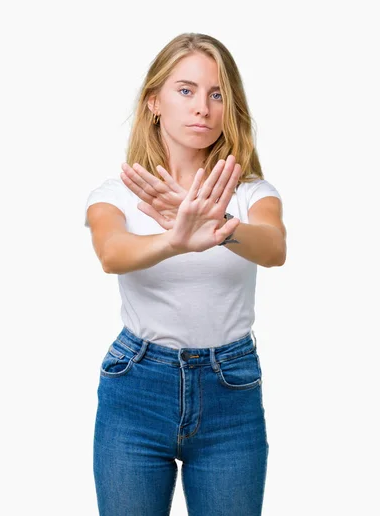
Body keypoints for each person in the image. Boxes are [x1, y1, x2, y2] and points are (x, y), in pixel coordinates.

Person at [84, 32, 286, 516]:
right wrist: (175, 238)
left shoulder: (250, 191)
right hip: (136, 387)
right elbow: (112, 252)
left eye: (217, 95)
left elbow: (274, 247)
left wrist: (214, 223)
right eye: (186, 90)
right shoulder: (116, 192)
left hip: (229, 391)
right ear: (154, 101)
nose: (204, 108)